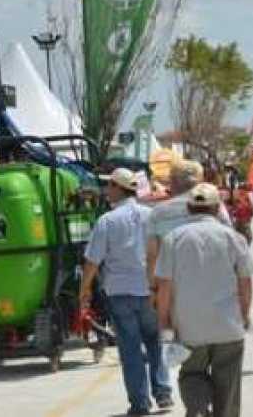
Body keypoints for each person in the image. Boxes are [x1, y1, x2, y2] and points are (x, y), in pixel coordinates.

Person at [156, 184, 253, 417]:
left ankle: (198, 407)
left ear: (189, 208)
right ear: (217, 208)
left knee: (191, 373)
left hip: (190, 326)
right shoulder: (233, 238)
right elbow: (245, 282)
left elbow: (164, 287)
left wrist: (165, 322)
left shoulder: (173, 239)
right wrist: (245, 314)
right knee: (228, 382)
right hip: (228, 325)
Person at [81, 168, 172, 416]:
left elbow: (92, 261)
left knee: (130, 348)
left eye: (109, 185)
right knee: (155, 342)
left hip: (120, 292)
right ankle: (163, 393)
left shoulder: (107, 221)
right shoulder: (152, 216)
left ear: (119, 188)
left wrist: (84, 290)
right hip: (150, 289)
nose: (106, 190)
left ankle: (140, 404)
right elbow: (165, 251)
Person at [147, 160, 232, 287]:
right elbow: (229, 241)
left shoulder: (158, 212)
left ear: (173, 182)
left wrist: (153, 287)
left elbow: (152, 255)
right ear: (199, 182)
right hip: (212, 283)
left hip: (172, 287)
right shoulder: (215, 206)